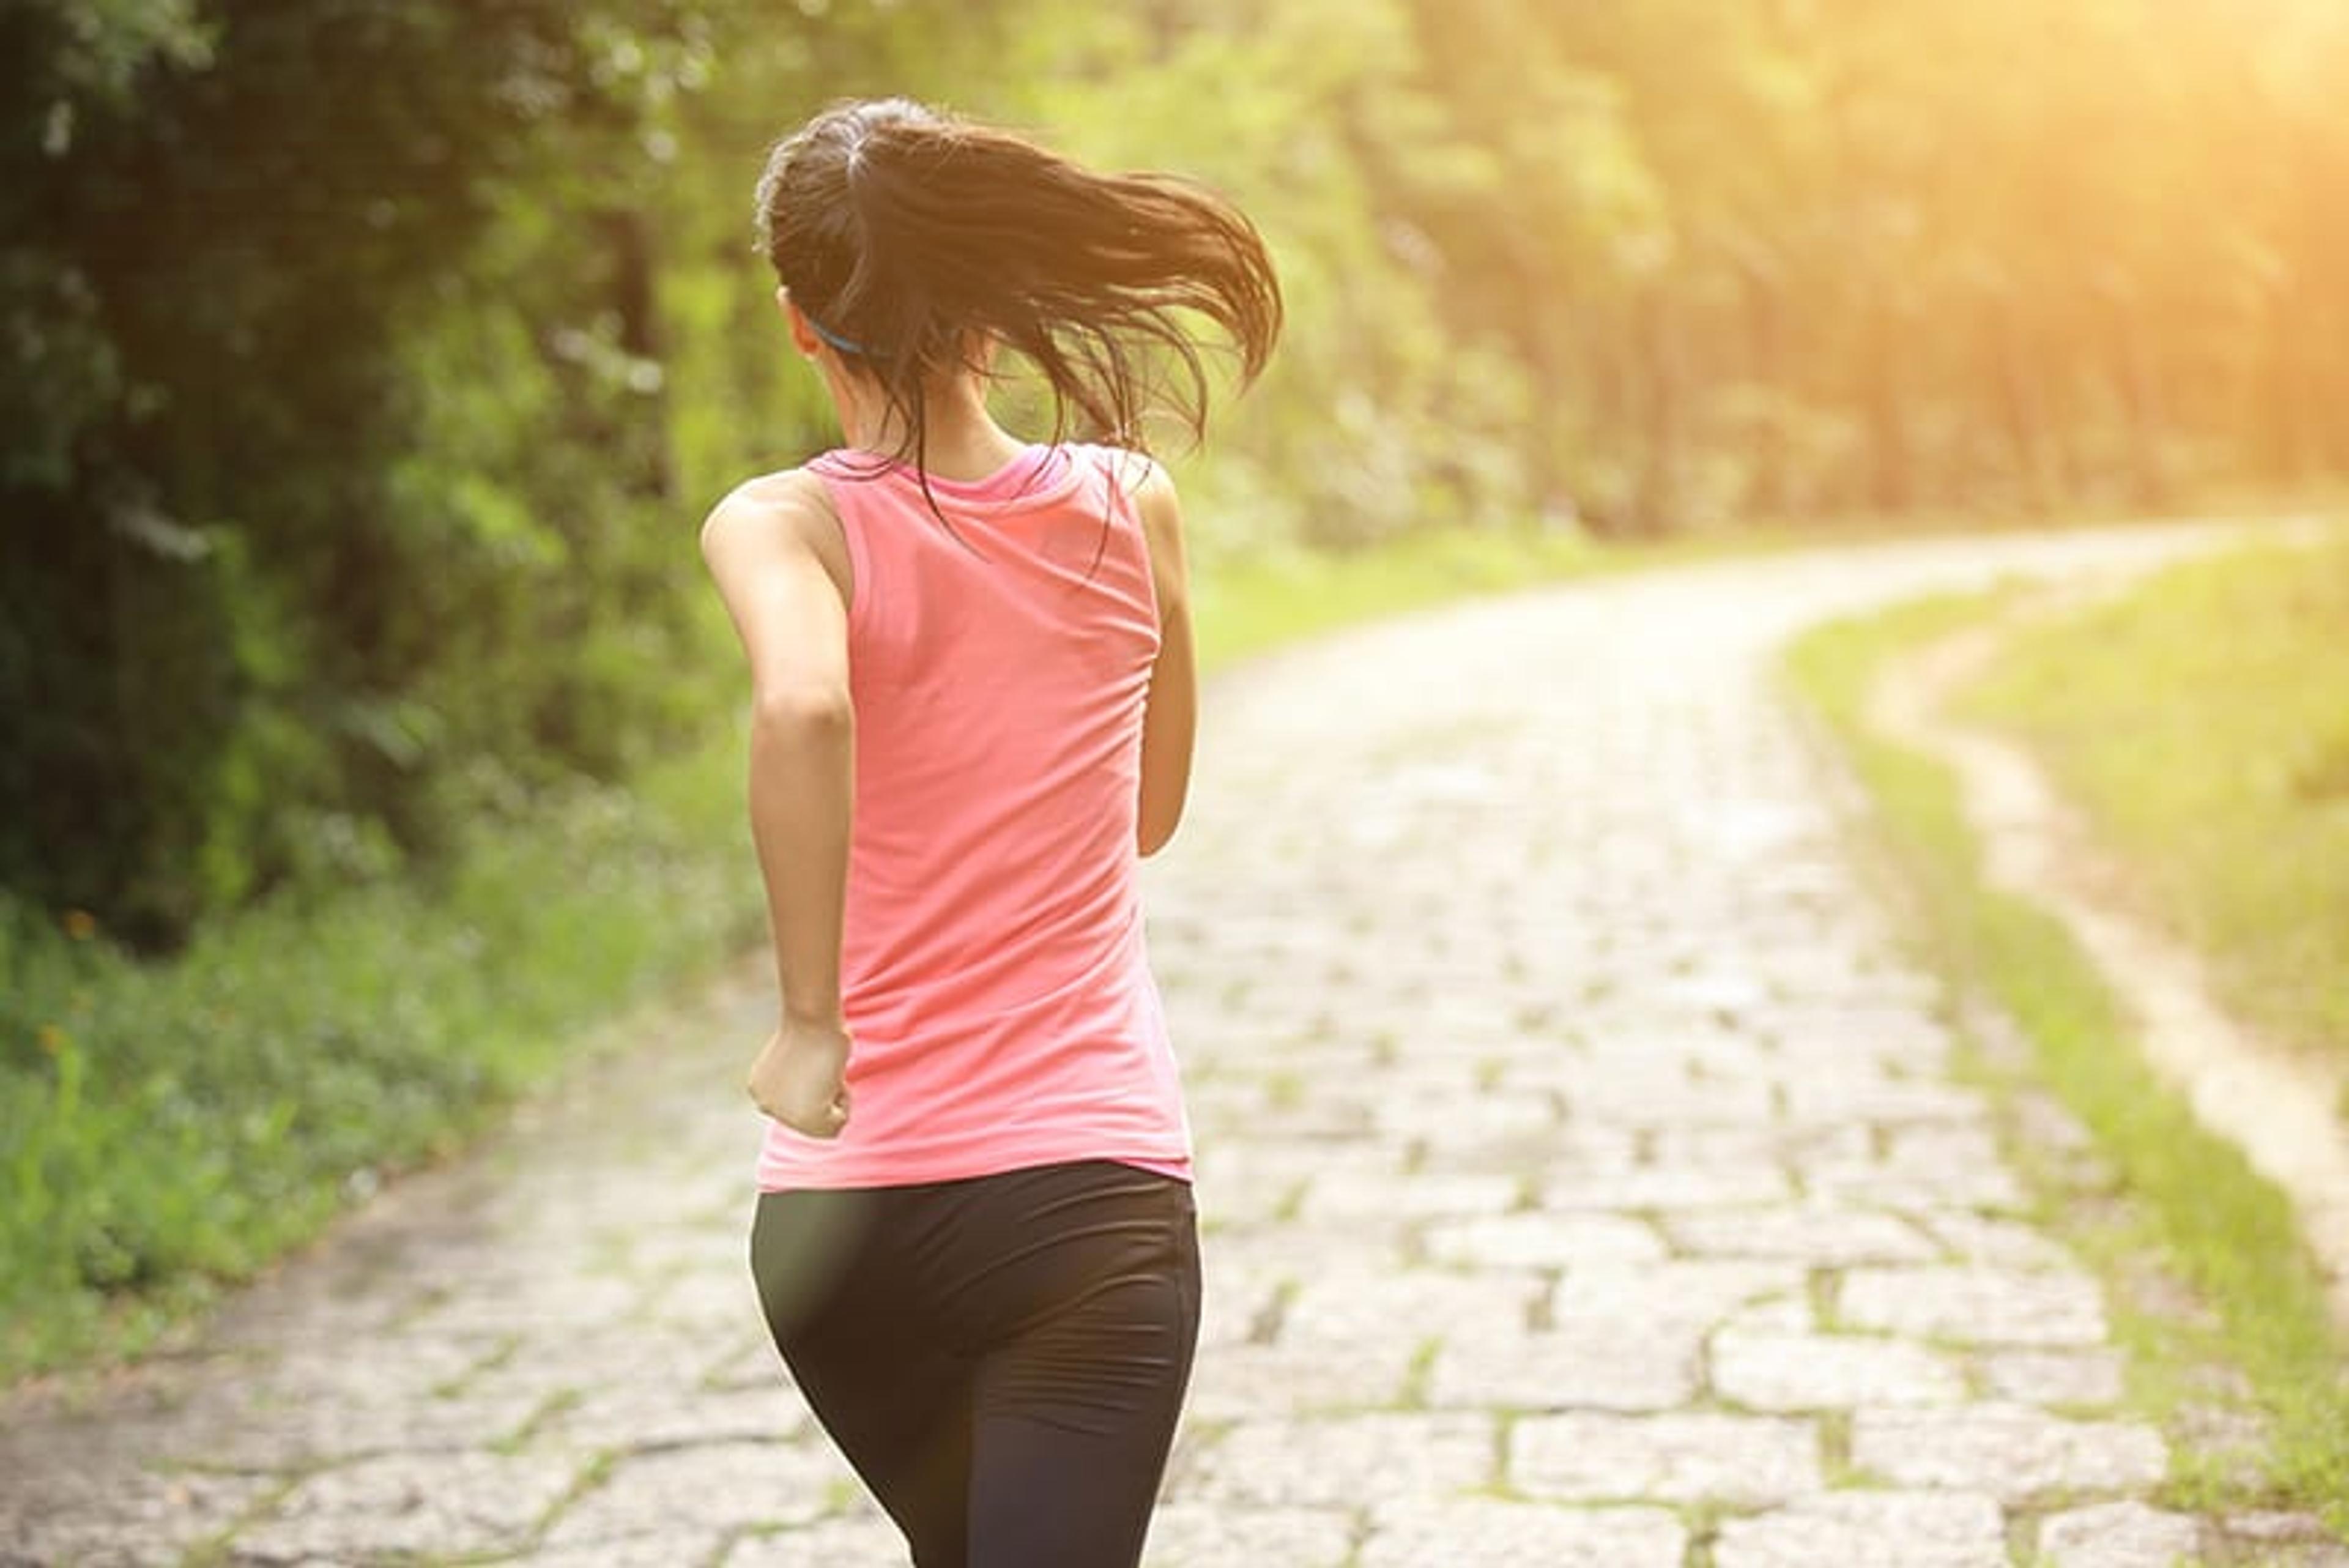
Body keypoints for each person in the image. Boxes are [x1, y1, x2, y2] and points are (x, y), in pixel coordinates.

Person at [697, 97, 1280, 1568]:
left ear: (799, 324)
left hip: (843, 1237)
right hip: (1086, 1206)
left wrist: (812, 1020)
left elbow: (806, 707)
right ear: (990, 309)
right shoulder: (1126, 502)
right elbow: (1151, 812)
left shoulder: (783, 527)